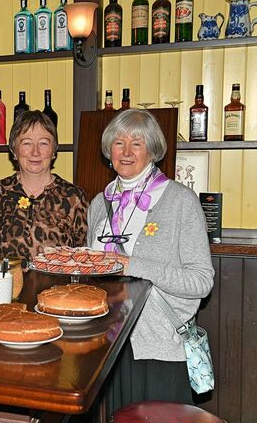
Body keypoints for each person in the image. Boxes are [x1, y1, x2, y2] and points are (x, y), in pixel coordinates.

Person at [86, 109, 214, 413]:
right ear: (109, 151)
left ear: (153, 150)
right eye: (119, 143)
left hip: (159, 345)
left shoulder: (181, 201)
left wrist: (132, 264)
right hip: (108, 346)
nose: (126, 152)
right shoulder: (98, 204)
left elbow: (202, 281)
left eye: (137, 143)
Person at [0, 110, 88, 264]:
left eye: (43, 143)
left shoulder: (74, 197)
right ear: (14, 151)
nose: (35, 152)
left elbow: (84, 256)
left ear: (54, 151)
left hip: (59, 287)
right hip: (8, 287)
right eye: (26, 143)